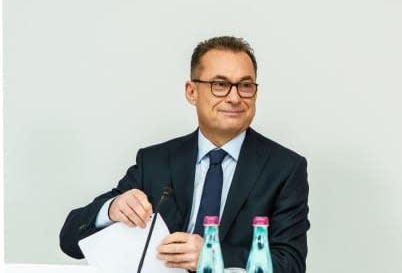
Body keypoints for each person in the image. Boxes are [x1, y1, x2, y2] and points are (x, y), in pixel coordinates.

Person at [60, 36, 310, 272]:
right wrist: (112, 208)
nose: (235, 97)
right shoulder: (155, 161)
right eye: (220, 85)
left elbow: (291, 263)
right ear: (192, 92)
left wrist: (213, 255)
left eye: (245, 86)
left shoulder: (284, 168)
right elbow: (70, 239)